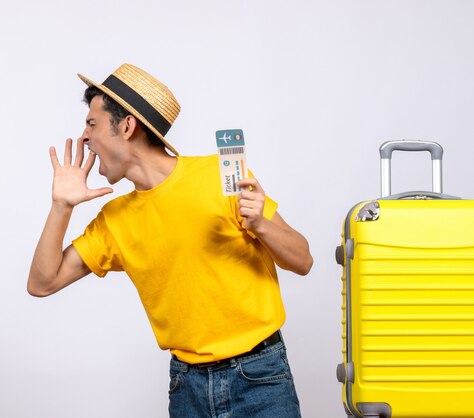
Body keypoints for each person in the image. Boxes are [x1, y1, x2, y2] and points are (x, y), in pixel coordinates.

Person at [27, 63, 313, 418]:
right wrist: (60, 207)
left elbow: (303, 260)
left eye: (92, 124)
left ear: (127, 126)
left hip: (260, 378)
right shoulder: (113, 221)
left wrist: (262, 225)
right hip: (186, 388)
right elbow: (42, 283)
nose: (84, 138)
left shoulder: (217, 175)